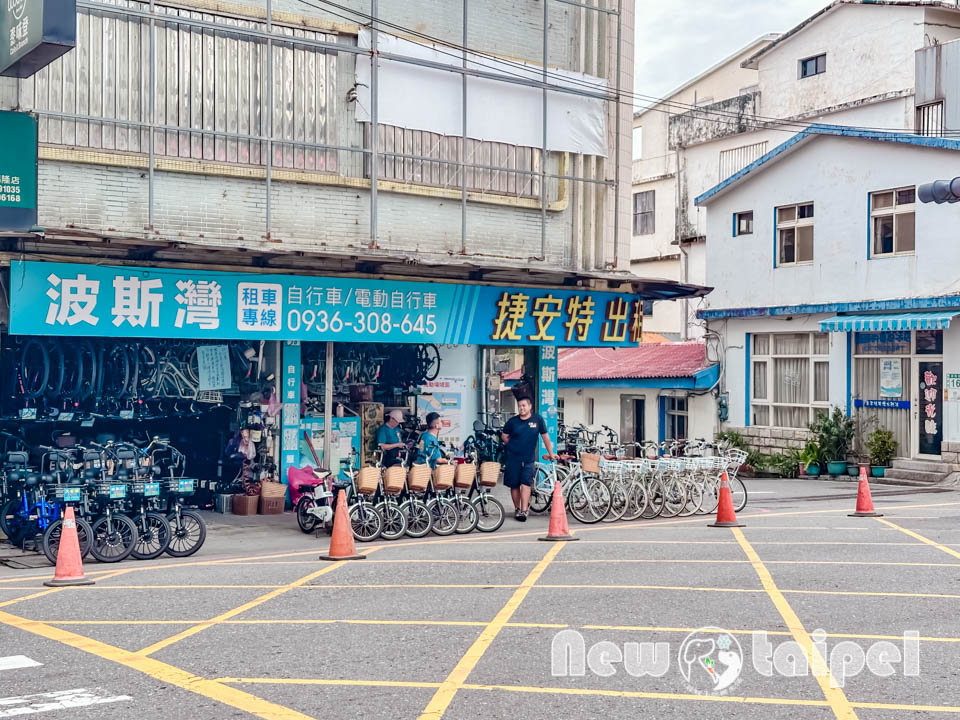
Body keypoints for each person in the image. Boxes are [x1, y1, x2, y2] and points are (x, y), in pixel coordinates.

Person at [502, 394, 557, 521]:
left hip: (528, 459)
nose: (521, 408)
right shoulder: (512, 422)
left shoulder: (537, 420)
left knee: (526, 484)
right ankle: (517, 509)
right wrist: (512, 445)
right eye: (519, 406)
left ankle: (524, 510)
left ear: (530, 406)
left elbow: (545, 438)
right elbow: (504, 436)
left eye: (524, 405)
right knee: (514, 485)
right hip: (513, 458)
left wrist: (551, 453)